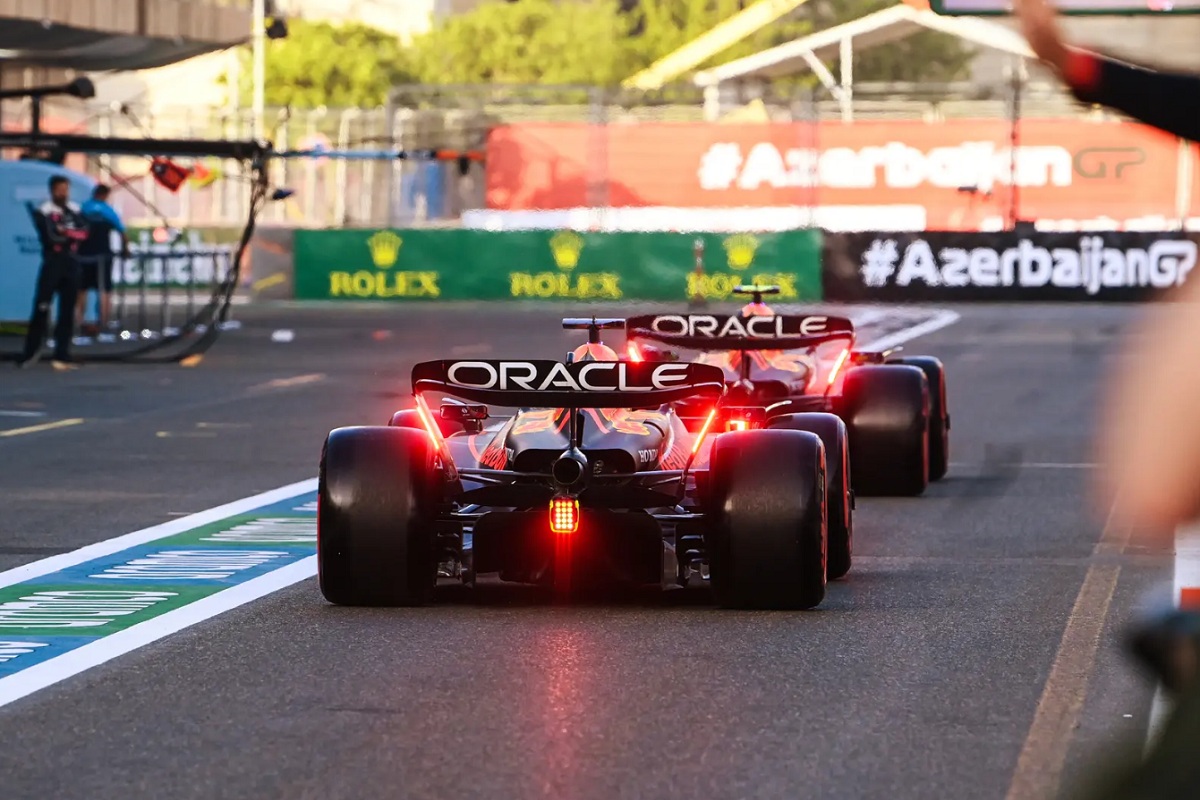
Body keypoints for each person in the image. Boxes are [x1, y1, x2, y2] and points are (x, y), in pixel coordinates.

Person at [17, 176, 89, 370]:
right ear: (52, 190)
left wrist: (66, 233)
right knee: (41, 307)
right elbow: (51, 237)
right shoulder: (44, 211)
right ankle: (30, 352)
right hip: (52, 264)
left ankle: (62, 354)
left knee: (67, 311)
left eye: (66, 189)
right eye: (59, 189)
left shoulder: (74, 209)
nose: (63, 193)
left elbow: (84, 232)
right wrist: (67, 235)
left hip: (71, 264)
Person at [76, 184, 129, 338]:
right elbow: (122, 232)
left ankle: (80, 321)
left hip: (83, 254)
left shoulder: (84, 208)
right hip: (103, 255)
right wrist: (126, 249)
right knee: (105, 289)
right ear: (105, 195)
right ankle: (103, 323)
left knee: (82, 288)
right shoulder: (108, 210)